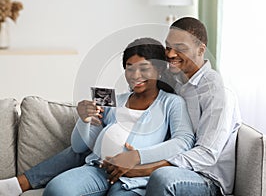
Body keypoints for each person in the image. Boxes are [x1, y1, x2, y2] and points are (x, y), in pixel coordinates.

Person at [0, 38, 195, 196]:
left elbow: (184, 141)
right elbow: (78, 147)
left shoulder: (172, 103)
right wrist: (84, 120)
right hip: (97, 169)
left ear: (159, 70)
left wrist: (137, 156)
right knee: (56, 190)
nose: (135, 75)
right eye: (129, 67)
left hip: (134, 178)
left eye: (144, 68)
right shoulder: (114, 100)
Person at [120, 17, 242, 196]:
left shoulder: (217, 90)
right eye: (168, 47)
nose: (170, 54)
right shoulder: (176, 81)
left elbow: (207, 154)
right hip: (170, 163)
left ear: (201, 50)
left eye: (180, 48)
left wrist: (143, 169)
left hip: (206, 177)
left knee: (163, 178)